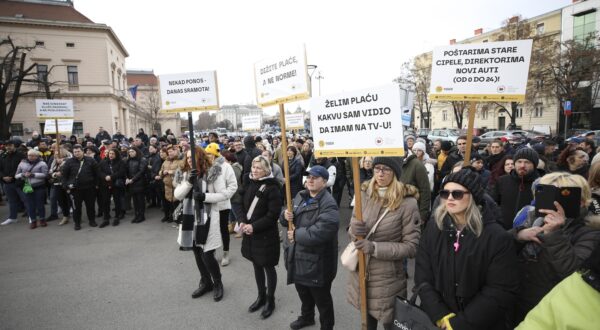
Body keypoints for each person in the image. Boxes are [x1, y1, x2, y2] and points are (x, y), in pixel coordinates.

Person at [415, 169, 519, 329]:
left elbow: (499, 290)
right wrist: (439, 315)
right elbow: (423, 275)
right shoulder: (433, 228)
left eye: (457, 194)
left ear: (473, 197)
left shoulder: (497, 237)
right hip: (436, 321)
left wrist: (459, 324)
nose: (449, 198)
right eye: (445, 193)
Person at [511, 172, 600, 324]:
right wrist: (518, 235)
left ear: (582, 202)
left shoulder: (591, 232)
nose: (553, 204)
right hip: (518, 300)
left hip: (550, 308)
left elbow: (574, 274)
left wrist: (554, 234)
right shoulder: (534, 218)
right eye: (547, 195)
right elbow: (502, 251)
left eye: (563, 198)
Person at [347, 157, 421, 330]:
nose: (380, 173)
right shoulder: (363, 194)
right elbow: (351, 229)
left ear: (395, 173)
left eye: (386, 169)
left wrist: (374, 248)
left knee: (390, 323)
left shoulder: (408, 203)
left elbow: (411, 247)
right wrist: (353, 230)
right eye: (377, 168)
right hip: (362, 271)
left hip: (387, 279)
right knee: (367, 322)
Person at [281, 165, 339, 330]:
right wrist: (285, 216)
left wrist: (297, 235)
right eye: (308, 177)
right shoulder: (300, 195)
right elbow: (287, 219)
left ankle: (327, 326)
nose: (310, 180)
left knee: (322, 300)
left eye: (315, 177)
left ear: (325, 182)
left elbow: (323, 231)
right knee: (304, 293)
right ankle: (307, 317)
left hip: (317, 262)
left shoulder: (329, 203)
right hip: (298, 257)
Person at [175, 147, 229, 303]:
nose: (190, 159)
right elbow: (178, 195)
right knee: (197, 252)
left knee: (207, 254)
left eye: (193, 156)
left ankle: (217, 282)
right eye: (188, 157)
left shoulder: (212, 173)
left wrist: (204, 196)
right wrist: (189, 183)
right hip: (189, 218)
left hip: (208, 218)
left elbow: (223, 194)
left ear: (200, 156)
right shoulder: (185, 174)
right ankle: (206, 282)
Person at [516, 240, 600, 329]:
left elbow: (570, 269)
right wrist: (517, 236)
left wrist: (553, 237)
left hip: (537, 297)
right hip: (525, 298)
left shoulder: (590, 235)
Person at [239, 155, 282, 319]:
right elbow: (240, 203)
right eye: (253, 167)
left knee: (268, 267)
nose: (255, 170)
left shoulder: (273, 188)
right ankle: (261, 296)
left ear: (266, 170)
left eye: (258, 168)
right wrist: (243, 221)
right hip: (250, 233)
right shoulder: (248, 181)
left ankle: (270, 300)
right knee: (256, 264)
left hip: (265, 234)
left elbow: (273, 215)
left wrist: (253, 226)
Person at [204, 143, 237, 267]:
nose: (208, 156)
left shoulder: (226, 167)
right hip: (208, 204)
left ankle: (226, 253)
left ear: (215, 154)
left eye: (210, 154)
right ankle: (211, 252)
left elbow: (233, 185)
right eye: (206, 154)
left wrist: (224, 196)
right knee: (210, 229)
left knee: (223, 229)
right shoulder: (205, 166)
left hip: (222, 204)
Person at [490, 147, 540, 230]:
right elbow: (493, 204)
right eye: (519, 162)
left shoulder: (541, 183)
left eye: (527, 162)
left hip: (529, 233)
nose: (522, 165)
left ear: (534, 165)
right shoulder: (502, 181)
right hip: (504, 231)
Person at [61, 145, 99, 230]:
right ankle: (77, 223)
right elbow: (64, 176)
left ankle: (92, 220)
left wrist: (96, 185)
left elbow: (96, 173)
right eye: (75, 152)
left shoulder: (90, 160)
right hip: (75, 189)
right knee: (76, 207)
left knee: (90, 206)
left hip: (89, 188)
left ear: (82, 151)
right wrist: (66, 186)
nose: (77, 153)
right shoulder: (69, 162)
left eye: (78, 151)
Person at [15, 150, 49, 229]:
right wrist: (23, 174)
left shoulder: (42, 163)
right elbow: (16, 175)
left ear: (37, 156)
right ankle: (33, 221)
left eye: (33, 155)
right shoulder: (22, 163)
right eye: (29, 155)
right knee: (30, 205)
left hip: (39, 186)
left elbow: (45, 174)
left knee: (40, 204)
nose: (31, 157)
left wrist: (33, 175)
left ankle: (42, 219)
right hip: (27, 186)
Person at [98, 148, 126, 227]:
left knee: (117, 201)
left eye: (113, 154)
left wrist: (111, 177)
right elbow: (99, 172)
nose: (111, 155)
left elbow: (121, 172)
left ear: (116, 154)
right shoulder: (103, 162)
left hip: (116, 185)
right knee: (105, 201)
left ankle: (117, 217)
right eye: (110, 153)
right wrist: (105, 177)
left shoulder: (121, 162)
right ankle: (106, 218)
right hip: (105, 184)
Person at [0, 139, 26, 226]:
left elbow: (22, 167)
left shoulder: (21, 155)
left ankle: (32, 216)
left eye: (10, 145)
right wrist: (3, 176)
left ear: (14, 146)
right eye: (7, 146)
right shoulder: (3, 156)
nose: (8, 147)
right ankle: (12, 217)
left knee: (26, 199)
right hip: (6, 183)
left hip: (18, 182)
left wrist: (11, 176)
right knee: (12, 201)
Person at [159, 145, 184, 223]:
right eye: (168, 152)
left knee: (178, 204)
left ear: (176, 151)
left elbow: (183, 171)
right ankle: (171, 217)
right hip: (168, 187)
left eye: (171, 151)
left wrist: (172, 172)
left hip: (177, 186)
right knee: (169, 203)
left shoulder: (181, 160)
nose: (169, 153)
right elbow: (160, 172)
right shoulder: (165, 161)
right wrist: (162, 172)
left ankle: (179, 219)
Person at [47, 146, 72, 225]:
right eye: (56, 155)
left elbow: (67, 172)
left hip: (67, 184)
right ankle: (65, 216)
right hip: (57, 184)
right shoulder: (54, 162)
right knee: (61, 201)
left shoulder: (69, 161)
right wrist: (54, 174)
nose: (56, 156)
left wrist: (62, 164)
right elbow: (50, 172)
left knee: (70, 201)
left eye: (58, 155)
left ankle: (76, 216)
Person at [125, 147, 148, 223]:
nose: (130, 153)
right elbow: (126, 171)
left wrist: (133, 179)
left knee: (140, 200)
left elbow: (141, 171)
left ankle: (141, 216)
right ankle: (137, 215)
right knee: (135, 200)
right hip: (131, 183)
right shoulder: (129, 160)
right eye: (129, 152)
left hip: (140, 182)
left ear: (136, 152)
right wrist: (127, 178)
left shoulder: (142, 159)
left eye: (132, 151)